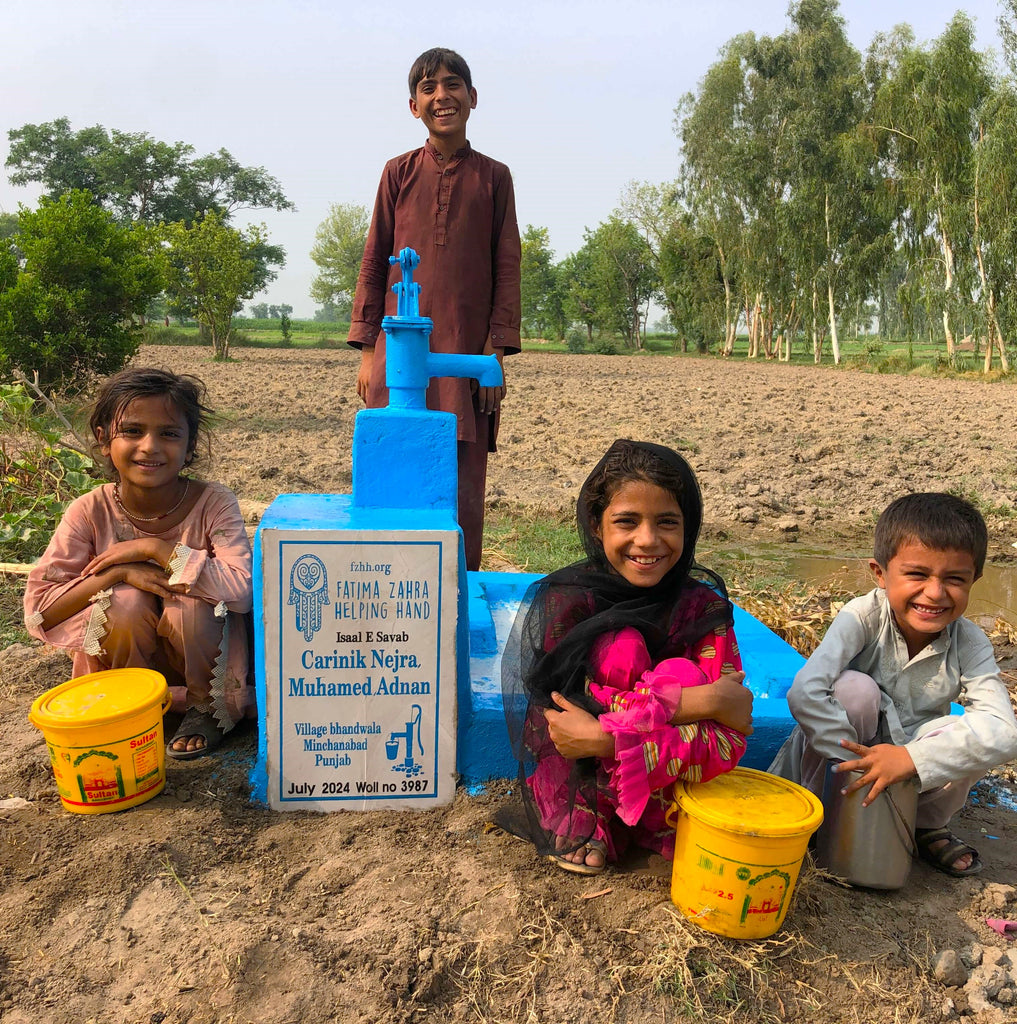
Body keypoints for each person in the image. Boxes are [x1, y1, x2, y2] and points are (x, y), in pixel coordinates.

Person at [501, 440, 754, 875]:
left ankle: (649, 818)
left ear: (688, 527)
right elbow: (562, 726)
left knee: (679, 671)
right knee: (619, 647)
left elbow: (731, 734)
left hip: (668, 774)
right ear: (598, 527)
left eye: (667, 522)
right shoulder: (568, 605)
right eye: (626, 522)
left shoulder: (700, 610)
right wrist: (705, 701)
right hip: (587, 768)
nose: (647, 540)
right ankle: (593, 816)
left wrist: (612, 737)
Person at [769, 493, 1017, 877]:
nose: (935, 593)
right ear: (880, 573)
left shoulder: (969, 641)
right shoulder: (862, 618)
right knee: (854, 690)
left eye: (954, 579)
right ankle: (819, 814)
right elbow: (806, 691)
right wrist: (859, 764)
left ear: (975, 581)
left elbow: (1004, 732)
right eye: (917, 574)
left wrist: (909, 760)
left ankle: (924, 824)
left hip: (909, 776)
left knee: (966, 730)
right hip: (837, 768)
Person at [347, 46, 521, 571]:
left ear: (472, 97)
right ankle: (384, 583)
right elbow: (376, 255)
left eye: (452, 85)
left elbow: (507, 265)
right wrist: (366, 348)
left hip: (467, 353)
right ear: (413, 105)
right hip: (397, 353)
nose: (441, 96)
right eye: (428, 89)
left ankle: (457, 590)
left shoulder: (495, 178)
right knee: (391, 460)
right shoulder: (397, 172)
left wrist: (492, 357)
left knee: (462, 474)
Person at [24, 368, 253, 760]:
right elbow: (40, 613)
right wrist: (116, 573)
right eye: (132, 431)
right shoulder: (89, 510)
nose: (150, 447)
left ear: (189, 444)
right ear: (102, 439)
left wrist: (155, 550)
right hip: (126, 668)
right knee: (124, 603)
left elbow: (242, 589)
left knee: (194, 605)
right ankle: (134, 707)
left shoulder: (213, 503)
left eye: (169, 433)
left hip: (205, 664)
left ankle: (204, 710)